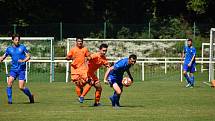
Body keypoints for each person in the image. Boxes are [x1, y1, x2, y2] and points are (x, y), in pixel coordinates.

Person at [0, 34, 34, 104]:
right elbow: (3, 56)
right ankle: (10, 101)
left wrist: (23, 61)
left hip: (21, 69)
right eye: (16, 40)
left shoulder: (23, 47)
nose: (17, 41)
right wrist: (1, 59)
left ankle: (30, 96)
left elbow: (28, 56)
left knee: (21, 87)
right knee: (9, 82)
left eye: (18, 40)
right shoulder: (9, 49)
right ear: (12, 40)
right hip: (13, 70)